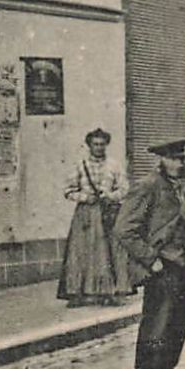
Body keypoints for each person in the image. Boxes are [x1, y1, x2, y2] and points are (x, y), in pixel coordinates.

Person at [114, 139, 185, 369]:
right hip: (163, 265)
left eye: (181, 159)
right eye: (173, 159)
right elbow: (124, 229)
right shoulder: (148, 186)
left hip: (184, 262)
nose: (178, 164)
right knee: (156, 326)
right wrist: (152, 260)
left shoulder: (179, 187)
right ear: (161, 160)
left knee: (177, 324)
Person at [58, 128, 130, 306]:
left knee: (109, 252)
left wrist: (111, 196)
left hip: (108, 213)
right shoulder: (80, 165)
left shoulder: (114, 166)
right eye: (95, 144)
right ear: (89, 145)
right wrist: (84, 197)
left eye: (102, 144)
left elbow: (124, 188)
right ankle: (79, 293)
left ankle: (110, 292)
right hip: (86, 215)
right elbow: (68, 191)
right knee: (82, 252)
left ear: (107, 145)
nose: (99, 148)